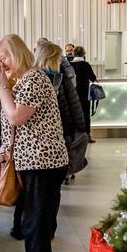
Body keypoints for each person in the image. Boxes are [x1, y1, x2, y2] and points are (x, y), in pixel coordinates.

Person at [0, 35, 69, 252]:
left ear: (17, 53)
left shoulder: (33, 79)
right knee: (31, 222)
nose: (0, 62)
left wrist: (2, 87)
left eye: (3, 56)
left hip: (43, 163)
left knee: (35, 224)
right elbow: (12, 132)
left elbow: (15, 116)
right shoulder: (22, 81)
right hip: (32, 163)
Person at [35, 40, 87, 185]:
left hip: (56, 128)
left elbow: (73, 102)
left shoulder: (40, 78)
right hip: (60, 127)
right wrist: (81, 126)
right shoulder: (57, 78)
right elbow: (74, 103)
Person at [70, 45, 98, 143]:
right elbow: (93, 78)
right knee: (85, 114)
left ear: (73, 54)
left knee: (73, 114)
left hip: (72, 94)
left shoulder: (70, 65)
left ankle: (74, 136)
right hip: (84, 94)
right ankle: (87, 135)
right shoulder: (86, 65)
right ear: (84, 54)